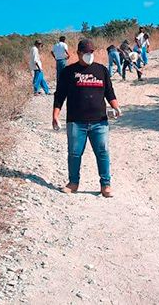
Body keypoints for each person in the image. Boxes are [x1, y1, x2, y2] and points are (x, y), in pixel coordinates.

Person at [53, 38, 122, 198]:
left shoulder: (101, 70)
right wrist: (55, 115)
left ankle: (106, 185)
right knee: (74, 153)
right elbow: (59, 95)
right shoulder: (68, 72)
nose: (89, 55)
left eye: (91, 52)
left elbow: (109, 92)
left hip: (100, 121)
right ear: (78, 53)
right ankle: (73, 183)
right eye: (85, 53)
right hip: (76, 122)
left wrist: (115, 106)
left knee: (103, 152)